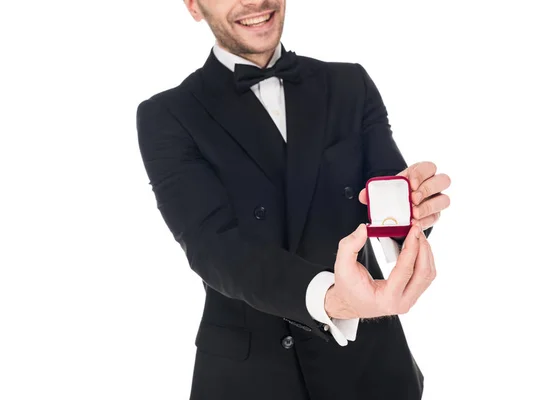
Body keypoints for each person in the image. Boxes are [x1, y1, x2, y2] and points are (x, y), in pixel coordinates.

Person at [136, 0, 451, 399]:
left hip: (370, 369)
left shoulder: (350, 84)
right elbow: (213, 246)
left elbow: (388, 200)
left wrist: (415, 211)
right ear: (194, 6)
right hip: (251, 378)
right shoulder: (168, 114)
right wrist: (334, 298)